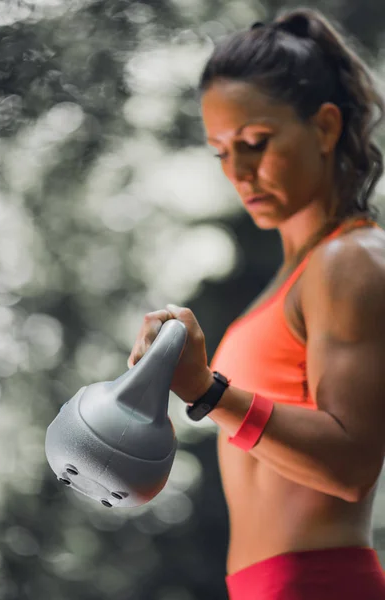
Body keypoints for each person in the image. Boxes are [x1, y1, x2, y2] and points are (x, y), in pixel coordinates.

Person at [127, 7, 385, 599]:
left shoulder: (352, 260)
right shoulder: (292, 280)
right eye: (221, 151)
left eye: (254, 142)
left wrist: (207, 391)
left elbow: (351, 468)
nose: (238, 172)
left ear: (324, 127)